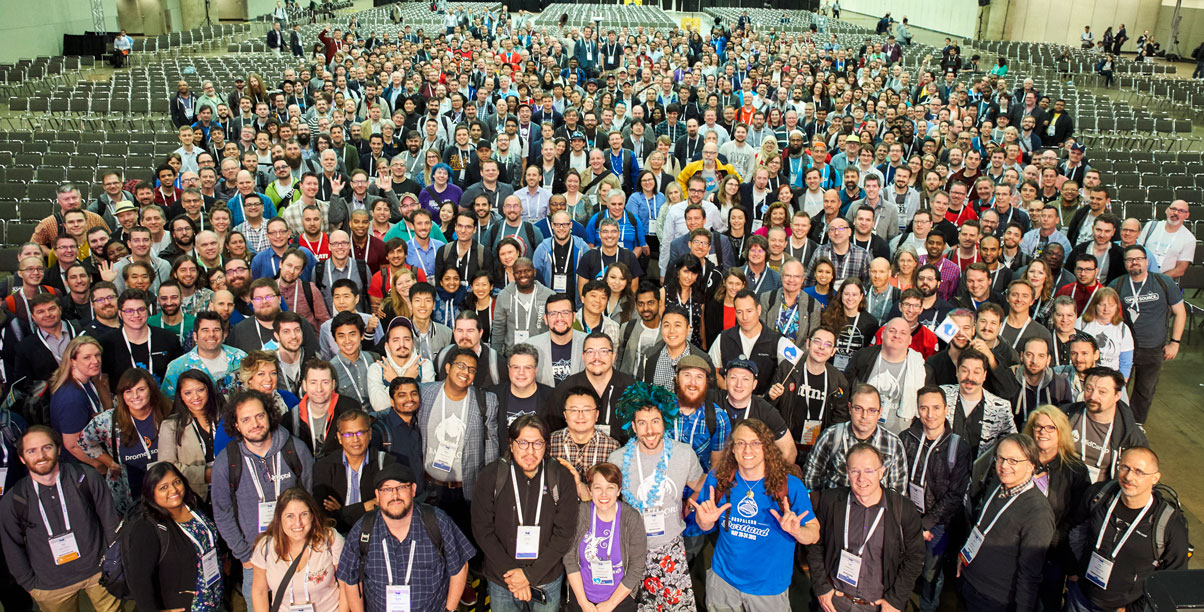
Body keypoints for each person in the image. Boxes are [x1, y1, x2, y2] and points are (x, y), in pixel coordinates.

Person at [694, 419, 820, 609]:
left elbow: (814, 533)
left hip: (768, 589)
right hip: (723, 582)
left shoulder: (790, 486)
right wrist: (704, 522)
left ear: (766, 448)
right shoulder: (718, 479)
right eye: (741, 443)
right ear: (732, 449)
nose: (747, 450)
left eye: (755, 443)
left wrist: (797, 531)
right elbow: (703, 523)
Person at [0, 426, 122, 612]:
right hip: (50, 585)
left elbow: (110, 522)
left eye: (46, 447)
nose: (41, 455)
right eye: (31, 451)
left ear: (58, 449)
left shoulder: (86, 478)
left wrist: (113, 564)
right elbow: (11, 547)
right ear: (22, 458)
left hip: (99, 572)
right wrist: (30, 585)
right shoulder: (13, 500)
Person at [608, 382, 704, 612]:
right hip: (629, 552)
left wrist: (689, 504)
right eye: (642, 423)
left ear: (665, 422)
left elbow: (700, 486)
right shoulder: (618, 460)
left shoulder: (683, 454)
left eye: (655, 422)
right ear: (633, 426)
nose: (649, 430)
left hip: (669, 549)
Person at [211, 389, 315, 597]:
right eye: (246, 419)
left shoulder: (296, 449)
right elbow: (222, 512)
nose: (255, 424)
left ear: (269, 415)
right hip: (255, 557)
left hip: (298, 551)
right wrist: (243, 554)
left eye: (259, 416)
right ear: (236, 425)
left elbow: (311, 498)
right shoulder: (227, 461)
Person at [336, 463, 475, 612]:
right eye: (387, 489)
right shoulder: (363, 529)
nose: (395, 495)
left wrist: (450, 610)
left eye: (401, 487)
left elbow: (460, 567)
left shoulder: (437, 521)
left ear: (413, 490)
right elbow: (350, 578)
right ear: (377, 495)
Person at [472, 415, 577, 612]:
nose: (530, 451)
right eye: (523, 443)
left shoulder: (560, 477)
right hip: (503, 580)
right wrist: (514, 576)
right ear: (511, 445)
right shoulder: (492, 475)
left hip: (546, 578)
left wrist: (529, 576)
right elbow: (481, 530)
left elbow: (564, 534)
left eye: (537, 443)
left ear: (546, 445)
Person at [1067, 447, 1190, 612]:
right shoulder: (1099, 495)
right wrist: (1073, 570)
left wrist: (1134, 609)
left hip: (1121, 608)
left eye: (1139, 472)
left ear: (1155, 478)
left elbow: (1172, 578)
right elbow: (1075, 530)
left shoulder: (1170, 525)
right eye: (1124, 467)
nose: (1128, 476)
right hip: (1080, 598)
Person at [806, 443, 926, 612]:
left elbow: (914, 558)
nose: (861, 478)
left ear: (881, 472)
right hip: (835, 601)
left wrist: (895, 601)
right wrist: (821, 587)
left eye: (869, 471)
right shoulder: (831, 501)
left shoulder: (903, 509)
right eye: (855, 471)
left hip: (877, 605)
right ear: (847, 471)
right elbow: (815, 546)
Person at [958, 433, 1055, 612]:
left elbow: (1030, 575)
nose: (1003, 466)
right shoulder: (998, 483)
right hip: (969, 582)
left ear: (1031, 465)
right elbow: (981, 524)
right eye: (1000, 458)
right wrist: (965, 555)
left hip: (995, 599)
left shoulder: (1038, 514)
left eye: (1013, 461)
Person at [902, 386, 973, 612]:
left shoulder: (958, 446)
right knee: (901, 564)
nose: (929, 414)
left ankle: (927, 607)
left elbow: (955, 495)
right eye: (924, 408)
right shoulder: (907, 438)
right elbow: (898, 480)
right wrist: (910, 521)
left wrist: (925, 524)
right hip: (906, 517)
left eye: (935, 408)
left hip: (939, 524)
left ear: (946, 409)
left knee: (931, 572)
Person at [418, 346, 500, 538]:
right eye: (461, 366)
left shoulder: (486, 401)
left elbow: (491, 448)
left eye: (472, 369)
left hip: (466, 491)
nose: (466, 372)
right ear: (447, 367)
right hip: (429, 489)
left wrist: (488, 489)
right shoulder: (424, 394)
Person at [125, 462, 224, 612]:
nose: (173, 490)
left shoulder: (193, 503)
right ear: (151, 493)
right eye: (163, 487)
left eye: (176, 482)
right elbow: (140, 581)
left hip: (214, 594)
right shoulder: (147, 528)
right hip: (184, 604)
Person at [1022, 406, 1091, 612]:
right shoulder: (1019, 460)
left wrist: (1050, 539)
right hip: (1015, 548)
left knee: (1046, 603)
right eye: (1038, 427)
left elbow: (1078, 517)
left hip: (1052, 553)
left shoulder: (1075, 469)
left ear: (1061, 432)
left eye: (1051, 427)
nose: (1043, 432)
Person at [77, 368, 172, 514]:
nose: (135, 396)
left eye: (140, 389)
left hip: (169, 490)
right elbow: (84, 441)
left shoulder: (168, 411)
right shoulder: (108, 420)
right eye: (128, 391)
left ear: (151, 390)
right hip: (130, 496)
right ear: (122, 395)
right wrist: (109, 462)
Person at [1108, 244, 1185, 424]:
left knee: (1145, 392)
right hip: (1123, 349)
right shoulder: (1117, 285)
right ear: (1125, 263)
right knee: (1118, 387)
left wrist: (1175, 342)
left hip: (1153, 348)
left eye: (1138, 259)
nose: (1134, 263)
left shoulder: (1163, 282)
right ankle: (1115, 423)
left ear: (1146, 261)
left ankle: (1136, 425)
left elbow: (1180, 312)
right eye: (1130, 260)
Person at [563, 462, 646, 611]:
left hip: (620, 601)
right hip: (582, 599)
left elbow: (636, 568)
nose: (603, 494)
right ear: (589, 490)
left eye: (610, 488)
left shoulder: (631, 518)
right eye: (597, 488)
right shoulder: (580, 514)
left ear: (619, 490)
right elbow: (569, 559)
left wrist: (611, 604)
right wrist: (583, 603)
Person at [250, 487, 346, 611]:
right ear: (279, 519)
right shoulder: (265, 547)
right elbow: (259, 592)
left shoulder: (331, 540)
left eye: (304, 514)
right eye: (290, 516)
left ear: (312, 515)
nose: (298, 523)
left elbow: (346, 587)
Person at [802, 383, 909, 492]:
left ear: (880, 412)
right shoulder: (830, 436)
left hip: (877, 507)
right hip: (835, 505)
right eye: (858, 409)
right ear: (850, 408)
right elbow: (810, 478)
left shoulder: (893, 444)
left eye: (871, 410)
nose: (864, 416)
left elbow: (898, 490)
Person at [767, 326, 852, 458]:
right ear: (808, 344)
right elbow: (768, 408)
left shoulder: (839, 381)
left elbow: (840, 419)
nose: (821, 347)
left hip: (819, 449)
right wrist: (771, 397)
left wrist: (828, 445)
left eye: (828, 345)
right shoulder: (788, 368)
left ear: (833, 351)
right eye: (817, 341)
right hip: (785, 444)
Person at [1063, 367, 1148, 483]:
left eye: (1102, 392)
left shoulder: (1131, 436)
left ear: (1117, 396)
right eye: (1089, 389)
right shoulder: (1065, 416)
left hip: (1101, 495)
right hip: (1062, 488)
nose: (1093, 397)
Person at [846, 318, 927, 434]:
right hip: (859, 432)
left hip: (898, 437)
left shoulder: (919, 367)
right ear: (883, 334)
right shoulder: (863, 357)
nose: (896, 336)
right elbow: (846, 390)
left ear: (910, 340)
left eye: (903, 333)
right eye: (892, 331)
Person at [47, 335, 113, 468]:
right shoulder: (71, 397)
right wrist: (101, 465)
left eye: (97, 355)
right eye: (87, 357)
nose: (95, 361)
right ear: (73, 361)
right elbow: (72, 445)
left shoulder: (87, 381)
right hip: (80, 465)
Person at [548, 385, 621, 500]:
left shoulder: (612, 447)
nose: (580, 416)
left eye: (587, 410)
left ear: (596, 415)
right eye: (573, 410)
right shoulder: (549, 443)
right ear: (565, 415)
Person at [940, 349, 1017, 458]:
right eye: (965, 370)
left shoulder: (1000, 408)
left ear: (984, 375)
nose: (970, 377)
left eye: (976, 372)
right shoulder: (941, 396)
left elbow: (1012, 446)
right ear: (957, 371)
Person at [158, 368, 221, 501]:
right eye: (188, 393)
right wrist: (205, 474)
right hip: (194, 495)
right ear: (180, 395)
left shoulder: (225, 416)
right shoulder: (170, 425)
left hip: (230, 488)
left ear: (208, 389)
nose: (196, 397)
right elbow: (168, 466)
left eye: (200, 390)